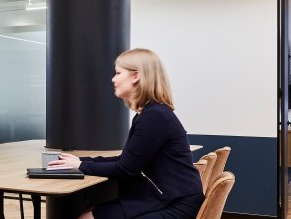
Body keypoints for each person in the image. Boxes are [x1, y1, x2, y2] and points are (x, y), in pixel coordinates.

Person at [50, 48, 204, 219]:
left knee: (87, 216)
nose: (113, 79)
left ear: (136, 76)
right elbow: (125, 160)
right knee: (91, 212)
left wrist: (80, 166)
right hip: (168, 197)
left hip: (174, 205)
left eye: (118, 73)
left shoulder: (154, 116)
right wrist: (81, 161)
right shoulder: (152, 113)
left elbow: (125, 169)